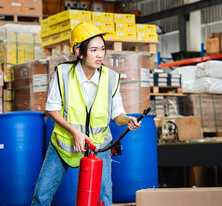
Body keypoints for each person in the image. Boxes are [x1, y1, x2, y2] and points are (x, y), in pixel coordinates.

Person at [32, 22, 141, 206]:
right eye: (93, 50)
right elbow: (51, 109)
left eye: (102, 49)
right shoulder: (63, 73)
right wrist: (74, 132)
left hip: (99, 146)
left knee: (103, 199)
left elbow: (117, 114)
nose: (100, 55)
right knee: (41, 195)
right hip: (64, 144)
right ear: (79, 52)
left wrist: (128, 119)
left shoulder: (111, 78)